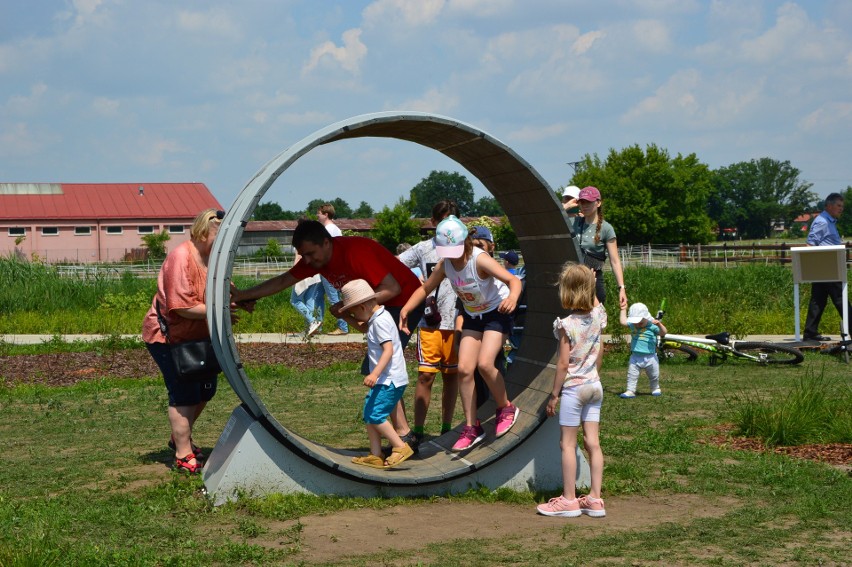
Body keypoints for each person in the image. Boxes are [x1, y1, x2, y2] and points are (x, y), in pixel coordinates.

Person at [230, 220, 424, 448]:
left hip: (403, 302)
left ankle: (403, 434)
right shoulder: (316, 260)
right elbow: (283, 280)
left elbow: (392, 289)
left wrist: (346, 305)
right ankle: (402, 432)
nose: (308, 261)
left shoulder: (355, 252)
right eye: (303, 256)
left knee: (381, 367)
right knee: (375, 367)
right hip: (380, 303)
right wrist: (244, 295)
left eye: (310, 253)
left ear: (325, 242)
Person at [142, 209, 253, 474]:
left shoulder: (212, 257)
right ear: (203, 232)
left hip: (198, 337)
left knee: (205, 390)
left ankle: (180, 436)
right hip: (168, 338)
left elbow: (223, 289)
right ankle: (182, 453)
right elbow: (181, 308)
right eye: (220, 237)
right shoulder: (181, 257)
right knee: (184, 395)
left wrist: (240, 299)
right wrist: (222, 310)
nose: (224, 243)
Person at [399, 215, 522, 452]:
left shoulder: (480, 260)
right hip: (473, 317)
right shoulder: (445, 264)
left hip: (497, 313)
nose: (450, 255)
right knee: (464, 369)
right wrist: (406, 308)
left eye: (453, 249)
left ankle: (505, 407)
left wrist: (513, 297)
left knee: (485, 364)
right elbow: (425, 288)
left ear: (465, 242)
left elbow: (512, 280)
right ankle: (471, 426)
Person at [536, 263, 606, 518]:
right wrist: (592, 280)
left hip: (574, 390)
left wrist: (554, 395)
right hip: (594, 387)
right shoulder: (598, 316)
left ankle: (569, 500)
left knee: (568, 444)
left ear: (566, 291)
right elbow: (596, 304)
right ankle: (595, 499)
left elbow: (563, 364)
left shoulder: (565, 325)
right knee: (593, 443)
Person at [397, 200, 461, 443]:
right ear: (433, 223)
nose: (447, 227)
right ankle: (419, 430)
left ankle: (447, 427)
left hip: (456, 322)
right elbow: (396, 263)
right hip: (430, 323)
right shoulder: (424, 249)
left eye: (452, 221)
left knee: (452, 375)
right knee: (426, 375)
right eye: (442, 221)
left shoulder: (463, 249)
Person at [341, 279, 415, 469]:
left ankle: (400, 447)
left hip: (389, 379)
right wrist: (347, 318)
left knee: (376, 416)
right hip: (385, 378)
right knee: (369, 412)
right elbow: (365, 327)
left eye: (354, 312)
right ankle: (376, 454)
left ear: (363, 306)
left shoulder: (380, 321)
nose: (355, 316)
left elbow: (388, 350)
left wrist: (374, 374)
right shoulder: (378, 317)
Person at [803, 192, 851, 341]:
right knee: (841, 299)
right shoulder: (822, 221)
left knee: (818, 300)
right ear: (829, 206)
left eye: (842, 206)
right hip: (827, 266)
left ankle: (810, 333)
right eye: (838, 205)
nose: (841, 209)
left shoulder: (829, 221)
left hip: (825, 266)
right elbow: (810, 244)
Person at [572, 186, 628, 308]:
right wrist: (567, 206)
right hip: (573, 280)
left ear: (598, 203)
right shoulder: (573, 222)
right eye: (582, 202)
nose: (585, 205)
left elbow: (615, 261)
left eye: (589, 202)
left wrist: (622, 288)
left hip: (594, 280)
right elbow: (551, 217)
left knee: (596, 321)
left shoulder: (606, 229)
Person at [619, 302, 667, 398]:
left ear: (646, 317)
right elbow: (623, 322)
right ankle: (630, 390)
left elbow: (663, 333)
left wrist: (659, 324)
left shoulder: (652, 326)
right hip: (635, 357)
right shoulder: (633, 325)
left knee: (654, 375)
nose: (638, 324)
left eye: (640, 322)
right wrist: (623, 309)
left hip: (650, 357)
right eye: (635, 322)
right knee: (632, 375)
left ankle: (655, 388)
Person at [317, 203, 348, 336]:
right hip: (329, 267)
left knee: (333, 298)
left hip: (328, 267)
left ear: (326, 214)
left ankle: (343, 326)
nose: (317, 216)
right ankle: (317, 325)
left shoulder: (329, 229)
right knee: (318, 297)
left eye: (319, 213)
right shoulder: (334, 228)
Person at [289, 251, 325, 337]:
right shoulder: (312, 242)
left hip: (303, 273)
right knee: (310, 301)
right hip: (314, 274)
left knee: (295, 300)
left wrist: (293, 274)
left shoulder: (299, 241)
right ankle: (309, 329)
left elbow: (298, 258)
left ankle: (313, 321)